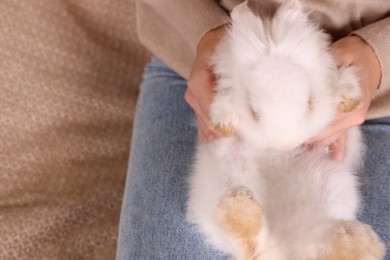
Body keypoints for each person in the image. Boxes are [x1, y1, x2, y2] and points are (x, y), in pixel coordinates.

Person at [116, 1, 390, 259]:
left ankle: (318, 235)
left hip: (379, 90)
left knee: (330, 190)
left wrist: (379, 54)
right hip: (197, 62)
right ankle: (252, 236)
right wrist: (203, 31)